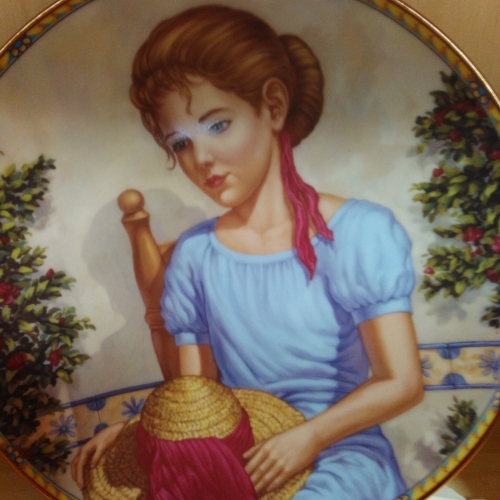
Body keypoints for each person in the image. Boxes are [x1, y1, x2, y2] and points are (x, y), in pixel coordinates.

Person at [72, 5, 423, 499]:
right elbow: (195, 399)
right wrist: (138, 435)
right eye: (181, 143)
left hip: (341, 450)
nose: (201, 159)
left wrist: (307, 438)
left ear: (273, 106)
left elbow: (401, 382)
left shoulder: (357, 232)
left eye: (217, 126)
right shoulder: (196, 255)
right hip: (236, 460)